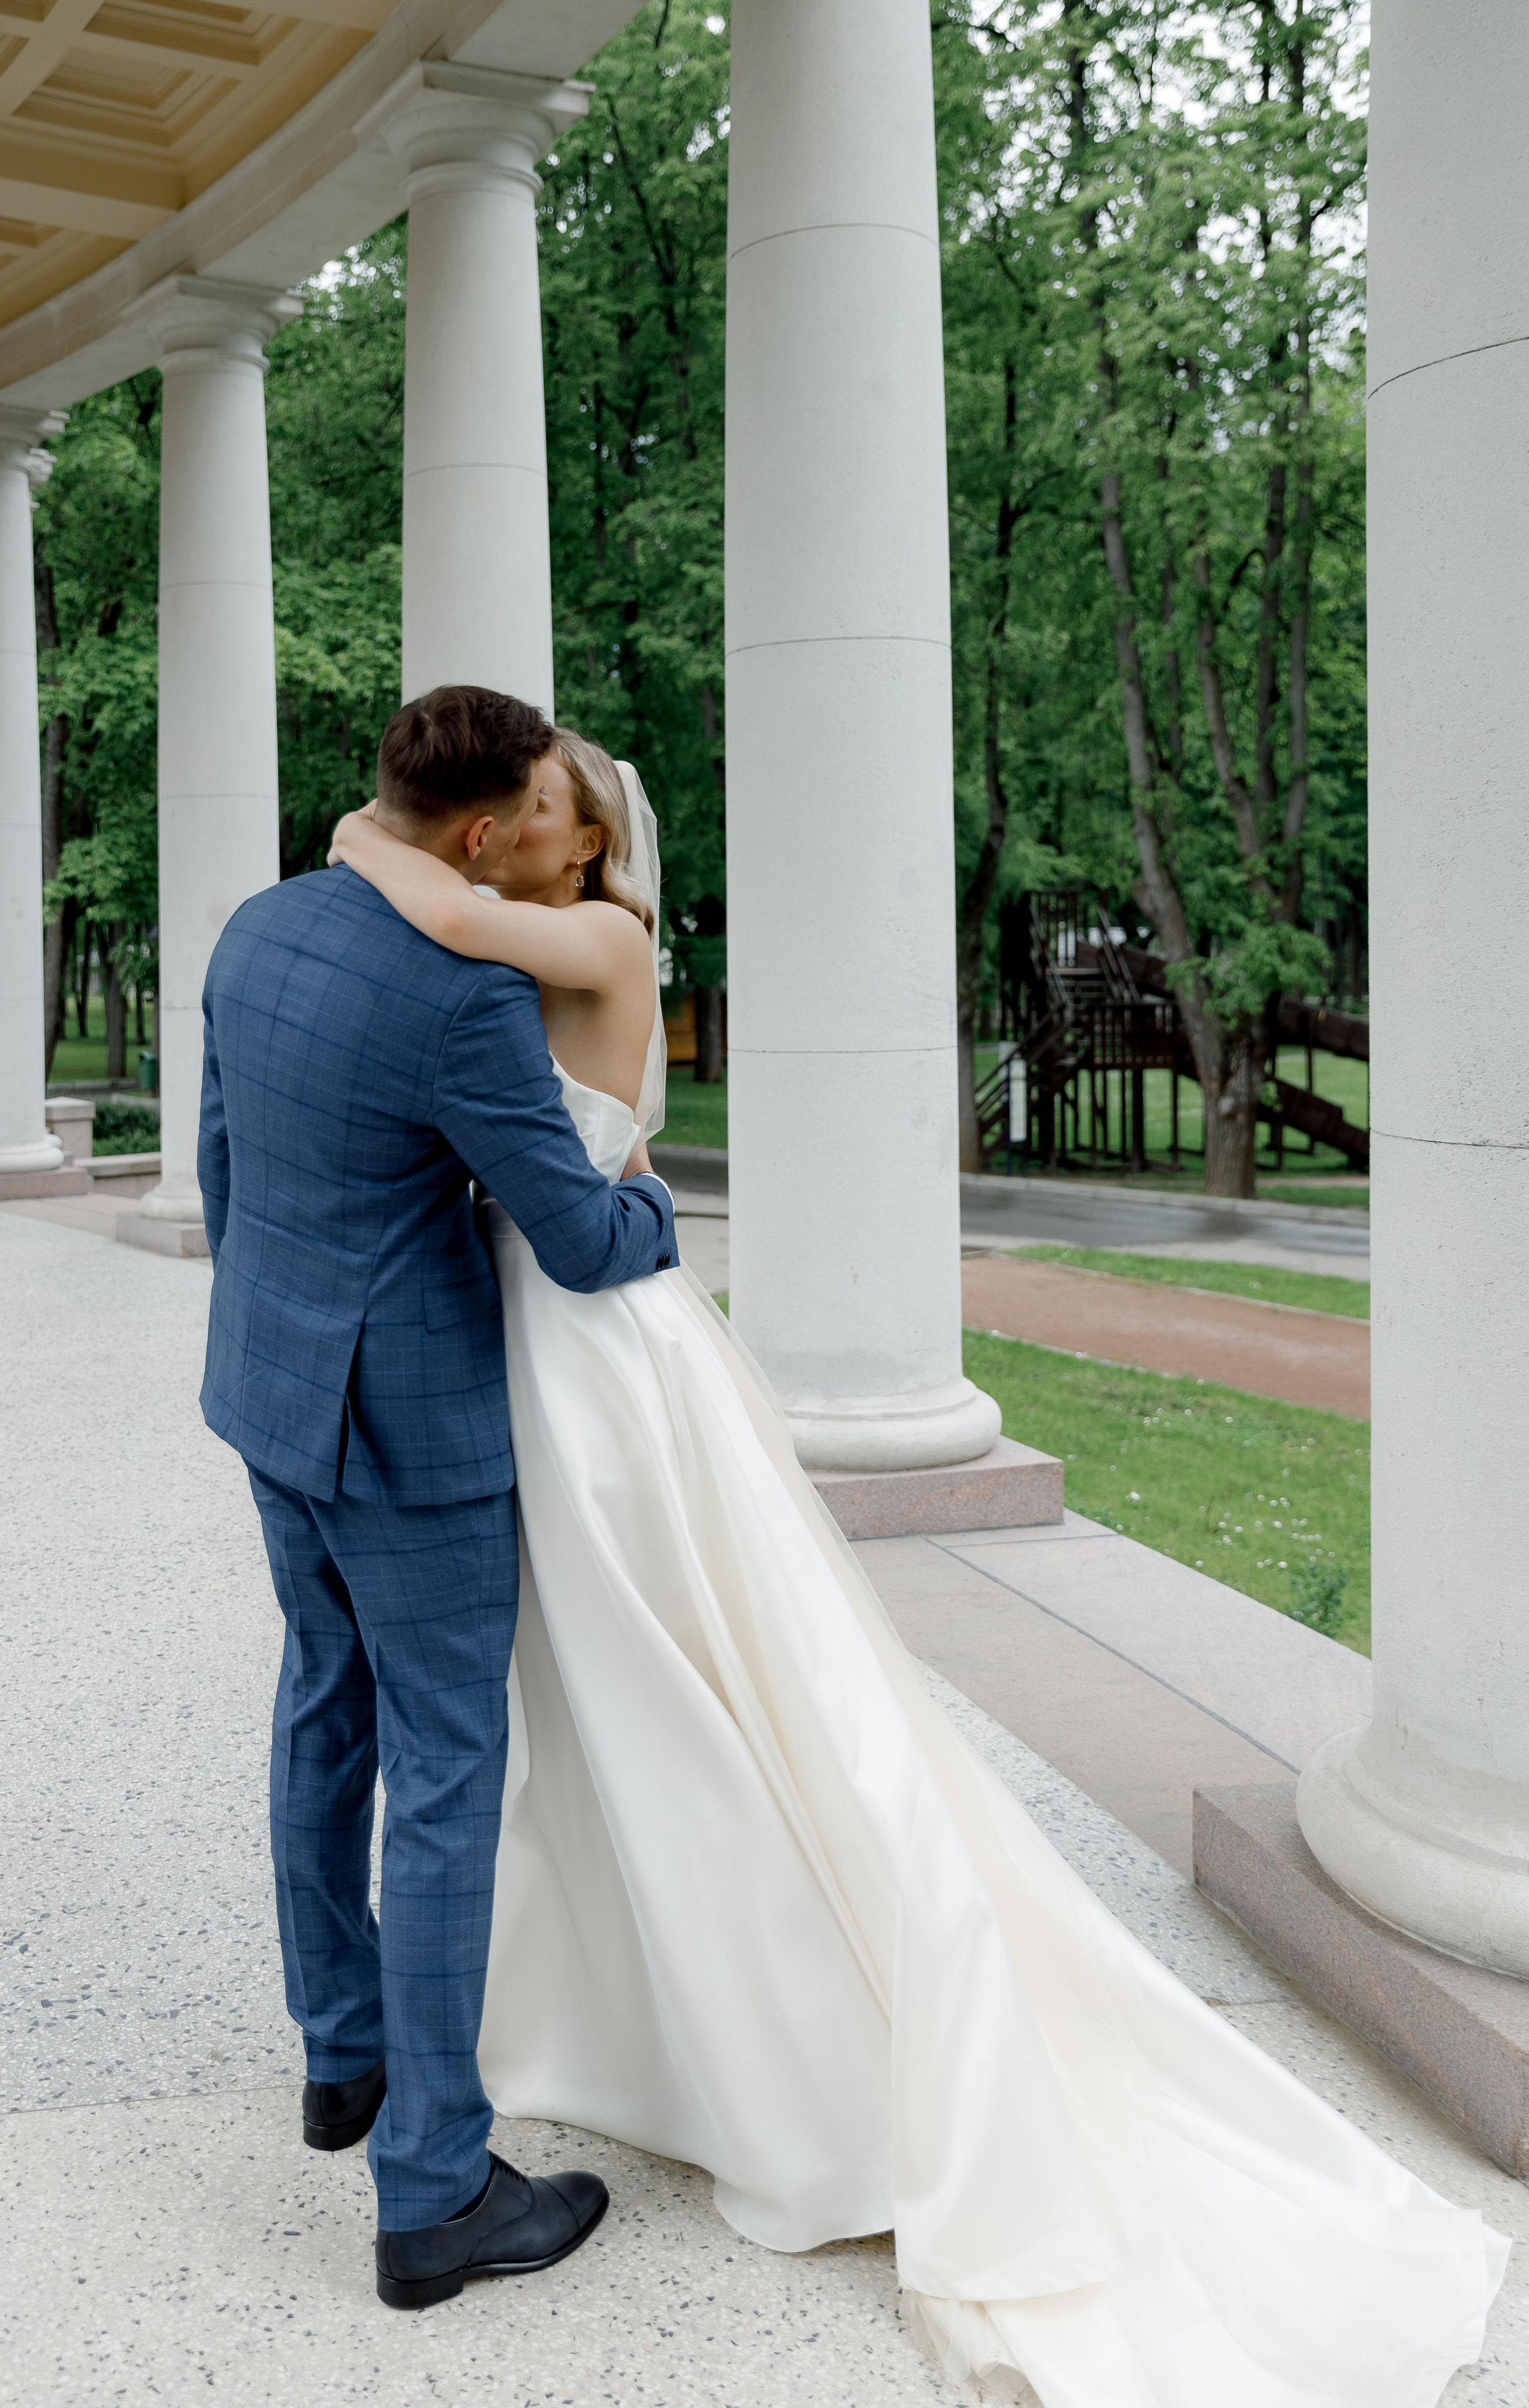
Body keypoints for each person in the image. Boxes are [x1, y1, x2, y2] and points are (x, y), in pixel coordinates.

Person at [327, 727, 1509, 2408]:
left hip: (598, 1358)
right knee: (601, 1690)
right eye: (508, 812)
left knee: (679, 1681)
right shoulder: (533, 917)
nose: (510, 832)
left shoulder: (595, 935)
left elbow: (441, 929)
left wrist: (366, 833)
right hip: (544, 1324)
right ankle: (644, 2003)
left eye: (542, 815)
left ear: (589, 848)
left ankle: (794, 2040)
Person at [197, 685, 678, 2310]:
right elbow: (578, 1234)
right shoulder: (465, 997)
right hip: (409, 1436)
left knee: (321, 1707)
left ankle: (345, 2064)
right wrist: (660, 1221)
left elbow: (224, 1176)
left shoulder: (257, 929)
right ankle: (434, 2192)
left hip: (268, 1391)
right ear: (480, 835)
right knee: (450, 1770)